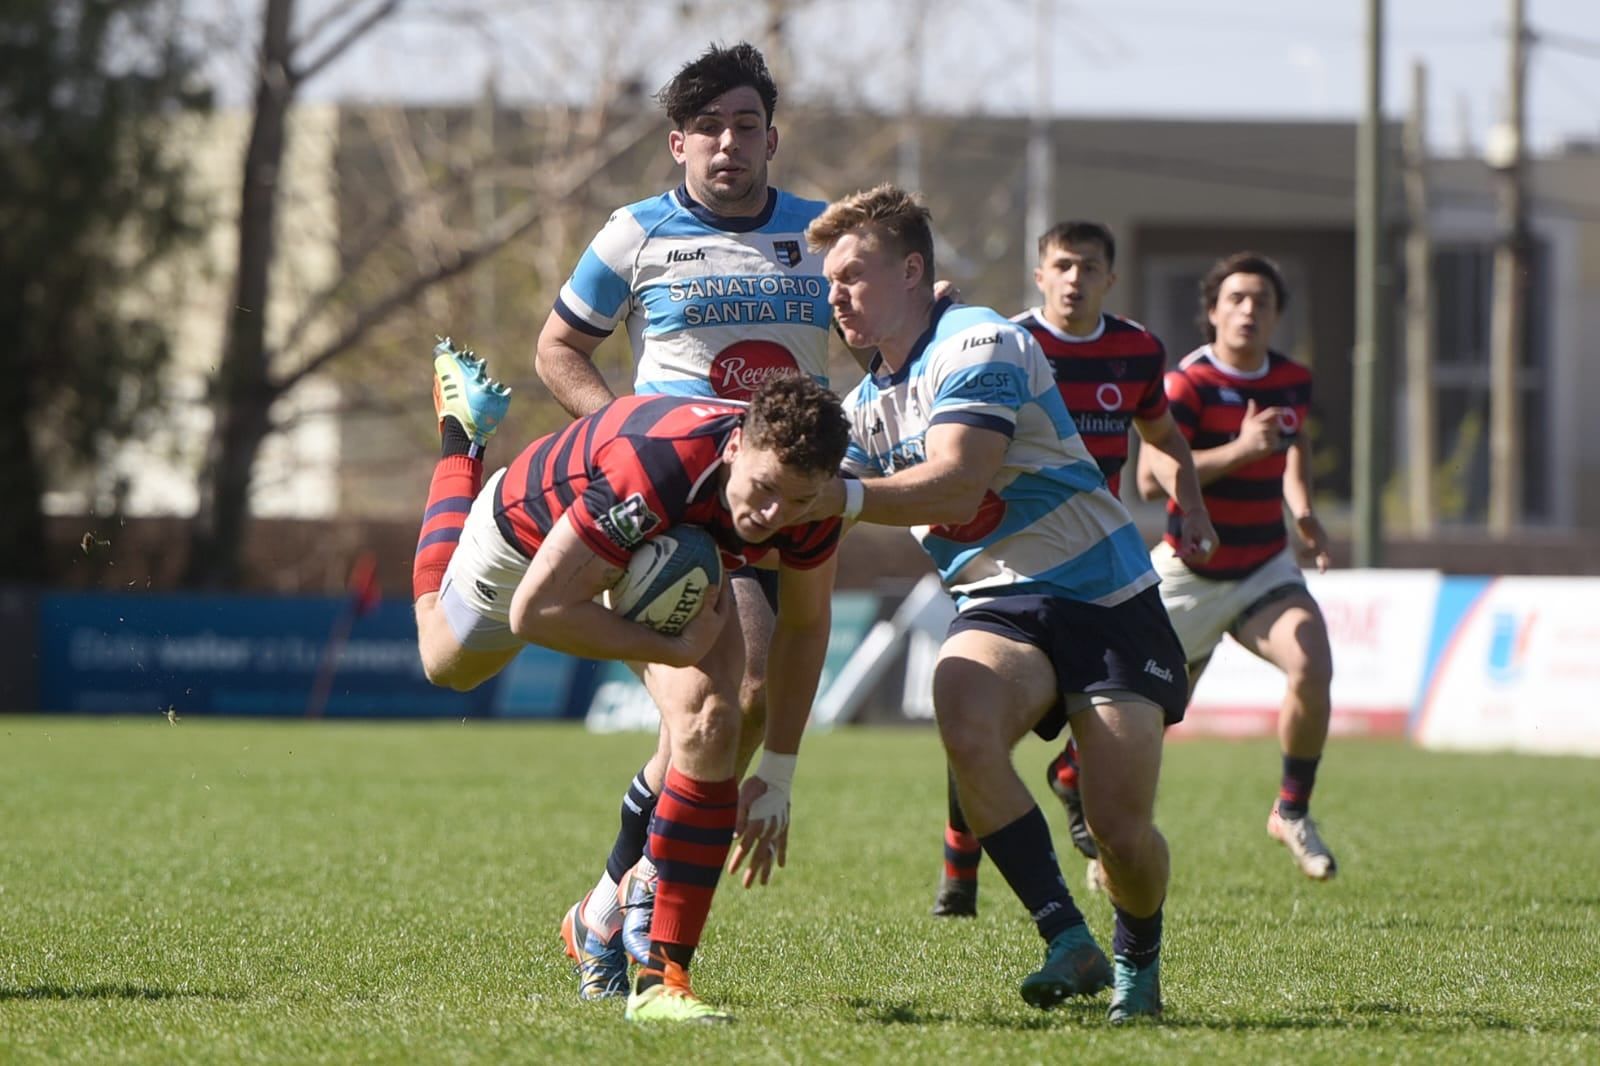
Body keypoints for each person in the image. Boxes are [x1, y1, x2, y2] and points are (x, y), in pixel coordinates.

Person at [807, 185, 1186, 1022]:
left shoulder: (981, 340)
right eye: (828, 280)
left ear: (913, 271)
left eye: (854, 274)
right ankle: (1064, 936)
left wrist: (831, 498)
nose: (835, 294)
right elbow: (823, 481)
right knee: (962, 706)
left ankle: (1137, 957)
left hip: (1108, 598)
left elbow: (957, 477)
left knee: (1121, 832)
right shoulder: (865, 406)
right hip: (1001, 604)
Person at [412, 340, 850, 1021]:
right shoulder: (661, 461)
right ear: (736, 446)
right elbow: (538, 611)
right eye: (764, 492)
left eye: (794, 501)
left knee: (711, 719)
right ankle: (462, 440)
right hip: (528, 537)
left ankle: (661, 978)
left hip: (664, 544)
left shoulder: (810, 501)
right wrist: (668, 645)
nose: (772, 517)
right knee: (444, 658)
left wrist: (782, 774)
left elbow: (804, 627)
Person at [531, 42, 835, 1004]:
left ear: (772, 138)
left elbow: (882, 334)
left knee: (708, 731)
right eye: (709, 128)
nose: (728, 144)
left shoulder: (821, 235)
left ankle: (606, 902)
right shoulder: (635, 233)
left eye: (746, 126)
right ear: (677, 144)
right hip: (683, 517)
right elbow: (559, 347)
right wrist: (625, 440)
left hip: (787, 503)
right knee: (726, 705)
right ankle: (645, 925)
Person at [931, 221, 1216, 918]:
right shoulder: (1004, 343)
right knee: (973, 712)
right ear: (1039, 274)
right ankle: (958, 868)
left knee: (1125, 714)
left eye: (1089, 267)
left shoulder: (1138, 350)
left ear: (1109, 280)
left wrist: (1195, 509)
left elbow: (1164, 437)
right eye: (1062, 265)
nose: (1074, 279)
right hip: (1008, 561)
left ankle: (1075, 779)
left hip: (1100, 573)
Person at [1133, 251, 1337, 881]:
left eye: (1263, 301)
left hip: (1262, 568)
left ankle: (1292, 811)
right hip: (1189, 575)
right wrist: (1242, 450)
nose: (1250, 310)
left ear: (1277, 315)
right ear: (1214, 311)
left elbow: (1293, 443)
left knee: (1312, 661)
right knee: (1143, 717)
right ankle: (1112, 828)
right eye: (1238, 299)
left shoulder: (1292, 379)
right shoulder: (1185, 385)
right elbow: (1147, 480)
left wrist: (1301, 510)